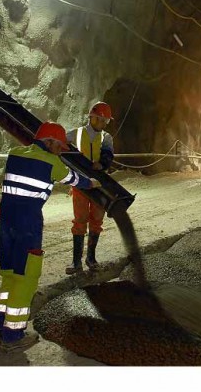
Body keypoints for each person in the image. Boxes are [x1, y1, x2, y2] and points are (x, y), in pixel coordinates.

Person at [0, 122, 96, 351]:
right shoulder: (52, 163)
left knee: (9, 277)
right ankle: (13, 336)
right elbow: (75, 180)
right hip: (28, 225)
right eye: (59, 145)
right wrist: (93, 182)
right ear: (49, 141)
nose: (61, 150)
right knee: (25, 279)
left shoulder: (15, 153)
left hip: (6, 224)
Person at [65, 101, 115, 274]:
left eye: (106, 122)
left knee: (96, 221)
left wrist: (101, 164)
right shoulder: (76, 134)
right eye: (101, 120)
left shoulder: (106, 138)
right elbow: (61, 145)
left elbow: (108, 156)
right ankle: (76, 262)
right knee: (80, 220)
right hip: (80, 184)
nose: (103, 124)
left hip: (99, 185)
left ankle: (91, 258)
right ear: (92, 117)